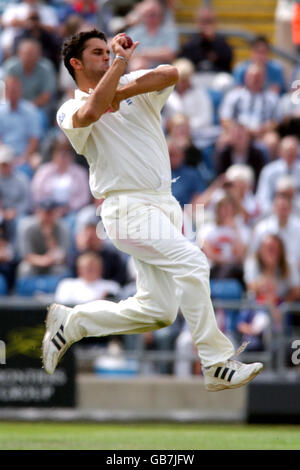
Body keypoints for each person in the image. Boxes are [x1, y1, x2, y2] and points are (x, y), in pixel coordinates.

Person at [42, 28, 263, 391]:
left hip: (164, 204)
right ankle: (215, 362)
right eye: (98, 53)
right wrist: (121, 64)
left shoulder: (131, 82)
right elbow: (93, 110)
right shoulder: (69, 108)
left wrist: (123, 86)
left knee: (157, 311)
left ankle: (74, 322)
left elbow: (171, 73)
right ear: (76, 63)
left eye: (106, 51)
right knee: (194, 262)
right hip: (125, 208)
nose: (106, 56)